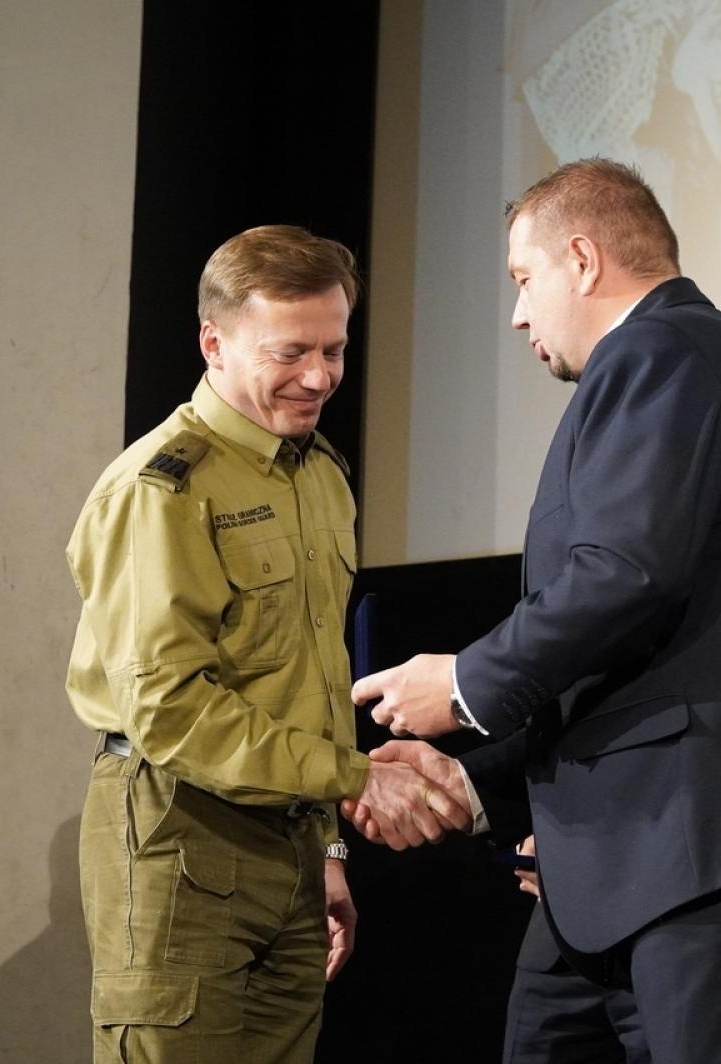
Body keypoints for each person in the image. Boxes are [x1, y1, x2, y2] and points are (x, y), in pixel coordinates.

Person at [344, 159, 721, 1063]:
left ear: (582, 259)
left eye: (522, 279)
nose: (516, 314)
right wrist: (475, 783)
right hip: (639, 861)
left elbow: (626, 576)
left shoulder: (662, 349)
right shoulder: (659, 364)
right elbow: (645, 647)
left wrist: (464, 685)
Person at [65, 224, 466, 1063]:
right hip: (180, 838)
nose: (319, 376)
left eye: (335, 348)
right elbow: (171, 712)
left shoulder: (321, 474)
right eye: (290, 352)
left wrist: (323, 845)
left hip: (288, 847)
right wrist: (357, 778)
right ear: (215, 342)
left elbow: (304, 684)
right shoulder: (161, 489)